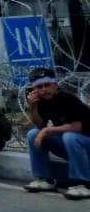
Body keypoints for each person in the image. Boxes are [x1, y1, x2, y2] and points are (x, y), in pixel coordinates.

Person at [22, 67, 90, 200]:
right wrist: (33, 108)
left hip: (85, 143)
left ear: (55, 84)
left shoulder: (67, 98)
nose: (43, 89)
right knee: (33, 134)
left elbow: (77, 127)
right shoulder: (42, 101)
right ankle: (45, 179)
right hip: (74, 147)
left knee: (70, 136)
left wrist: (47, 130)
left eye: (47, 85)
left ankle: (82, 184)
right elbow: (40, 125)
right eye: (39, 87)